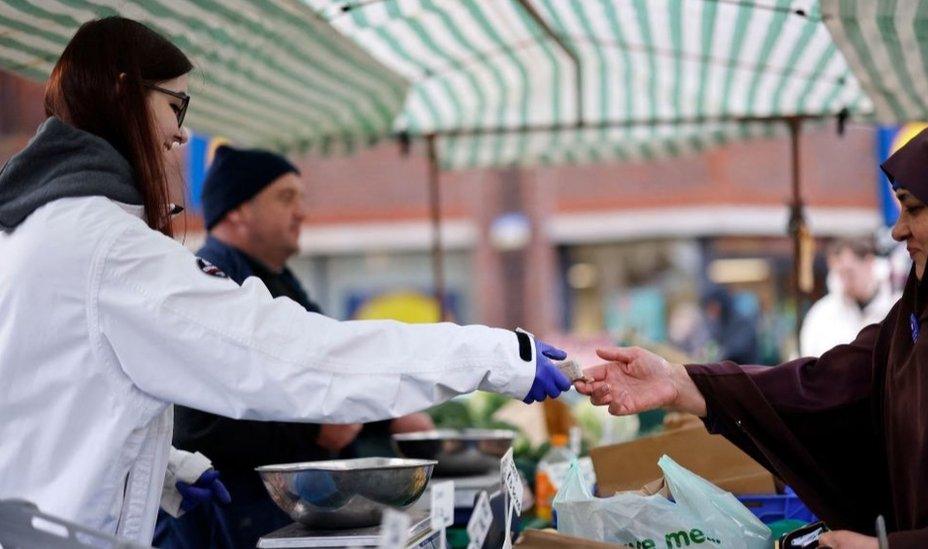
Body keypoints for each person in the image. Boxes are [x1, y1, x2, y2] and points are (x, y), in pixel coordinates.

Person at [0, 17, 570, 545]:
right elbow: (290, 356)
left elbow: (52, 397)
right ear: (125, 93)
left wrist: (167, 468)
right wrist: (492, 355)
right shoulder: (111, 249)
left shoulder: (38, 228)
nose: (182, 129)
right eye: (176, 103)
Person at [577, 115, 928, 548]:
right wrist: (679, 382)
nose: (898, 229)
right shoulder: (915, 322)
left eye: (914, 207)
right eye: (897, 206)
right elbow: (821, 390)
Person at [155, 145, 435, 547]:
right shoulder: (211, 281)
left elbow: (329, 362)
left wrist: (387, 419)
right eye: (286, 197)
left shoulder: (279, 278)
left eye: (302, 199)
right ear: (238, 210)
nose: (301, 211)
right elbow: (197, 423)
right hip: (226, 523)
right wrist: (311, 433)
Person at [800, 237, 899, 357]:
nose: (845, 282)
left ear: (869, 262)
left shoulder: (896, 307)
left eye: (849, 272)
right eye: (840, 274)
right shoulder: (822, 314)